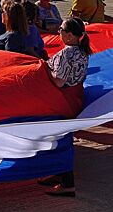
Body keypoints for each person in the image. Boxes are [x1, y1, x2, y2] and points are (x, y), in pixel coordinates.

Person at [38, 17, 92, 197]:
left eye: (61, 29)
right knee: (62, 137)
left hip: (63, 99)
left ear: (69, 35)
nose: (58, 32)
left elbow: (59, 82)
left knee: (58, 140)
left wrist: (44, 69)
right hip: (75, 97)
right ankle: (60, 174)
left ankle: (68, 183)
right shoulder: (83, 51)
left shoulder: (67, 53)